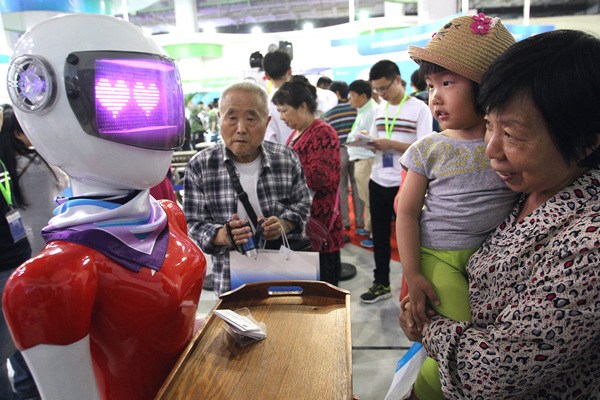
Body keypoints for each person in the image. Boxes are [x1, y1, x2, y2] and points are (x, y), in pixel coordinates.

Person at [2, 14, 206, 400]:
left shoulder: (167, 215)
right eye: (123, 95)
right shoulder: (51, 277)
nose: (147, 113)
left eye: (155, 96)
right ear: (39, 95)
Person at [400, 29, 600, 399]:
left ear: (586, 140)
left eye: (511, 133)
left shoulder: (589, 241)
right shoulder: (525, 190)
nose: (490, 151)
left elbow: (493, 372)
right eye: (488, 125)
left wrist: (426, 327)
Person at [395, 14, 518, 399]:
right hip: (441, 256)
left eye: (448, 83)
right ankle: (428, 391)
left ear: (485, 88)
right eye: (431, 85)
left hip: (489, 256)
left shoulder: (509, 140)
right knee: (464, 334)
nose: (435, 96)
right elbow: (407, 211)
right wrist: (413, 273)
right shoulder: (428, 149)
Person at [184, 81, 312, 296]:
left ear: (267, 121)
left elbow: (303, 204)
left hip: (284, 271)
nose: (241, 128)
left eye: (251, 118)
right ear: (220, 118)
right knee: (237, 327)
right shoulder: (200, 166)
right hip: (230, 278)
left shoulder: (286, 159)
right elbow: (193, 224)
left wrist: (284, 224)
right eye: (232, 118)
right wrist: (223, 235)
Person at [360, 60, 432, 303]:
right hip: (378, 178)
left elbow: (425, 148)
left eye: (384, 88)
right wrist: (368, 142)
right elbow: (376, 138)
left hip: (406, 183)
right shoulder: (380, 109)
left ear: (398, 80)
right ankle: (381, 283)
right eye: (376, 90)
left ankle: (413, 288)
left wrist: (390, 145)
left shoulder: (420, 109)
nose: (381, 94)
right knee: (379, 237)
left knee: (410, 239)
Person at [272, 75, 344, 286]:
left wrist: (282, 174)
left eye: (284, 110)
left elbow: (319, 178)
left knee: (325, 288)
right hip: (303, 222)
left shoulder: (323, 132)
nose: (282, 117)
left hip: (320, 223)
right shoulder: (298, 132)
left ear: (302, 106)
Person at [0, 107, 69, 254]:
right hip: (51, 231)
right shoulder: (41, 160)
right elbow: (64, 181)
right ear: (18, 134)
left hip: (21, 240)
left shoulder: (5, 166)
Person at [263, 50, 337, 144]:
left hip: (287, 154)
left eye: (284, 111)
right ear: (290, 70)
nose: (282, 117)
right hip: (318, 145)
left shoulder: (266, 106)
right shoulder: (312, 92)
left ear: (267, 76)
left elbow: (269, 140)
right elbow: (333, 98)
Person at [323, 81, 364, 232]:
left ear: (337, 93)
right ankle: (360, 221)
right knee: (357, 187)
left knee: (341, 189)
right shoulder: (355, 109)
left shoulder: (329, 112)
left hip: (339, 152)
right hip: (357, 150)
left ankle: (345, 221)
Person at [346, 79, 378, 240]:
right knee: (367, 198)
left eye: (352, 95)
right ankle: (368, 227)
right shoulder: (364, 110)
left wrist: (363, 138)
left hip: (367, 159)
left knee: (371, 199)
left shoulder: (372, 111)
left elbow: (375, 138)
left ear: (363, 96)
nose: (349, 99)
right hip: (361, 159)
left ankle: (374, 234)